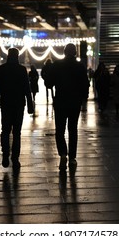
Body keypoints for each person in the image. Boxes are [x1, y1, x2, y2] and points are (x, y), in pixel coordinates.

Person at [46, 43, 89, 171]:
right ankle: (72, 158)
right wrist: (83, 98)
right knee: (72, 129)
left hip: (60, 101)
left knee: (59, 130)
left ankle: (63, 154)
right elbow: (85, 84)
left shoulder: (57, 65)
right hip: (75, 102)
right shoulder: (80, 66)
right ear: (75, 53)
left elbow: (49, 83)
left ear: (64, 52)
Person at [0, 47, 34, 171]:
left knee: (5, 130)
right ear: (17, 56)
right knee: (17, 133)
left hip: (5, 104)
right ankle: (15, 159)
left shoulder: (2, 69)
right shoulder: (22, 70)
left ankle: (5, 153)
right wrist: (30, 105)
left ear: (7, 56)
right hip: (18, 105)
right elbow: (27, 88)